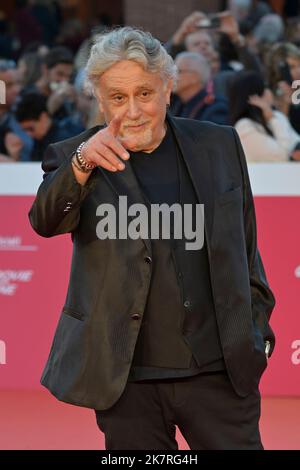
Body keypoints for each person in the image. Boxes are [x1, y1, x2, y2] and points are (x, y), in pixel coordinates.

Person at [29, 26, 275, 450]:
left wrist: (255, 330)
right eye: (118, 98)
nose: (133, 112)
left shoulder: (219, 144)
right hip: (127, 381)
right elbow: (45, 220)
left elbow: (246, 245)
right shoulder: (78, 155)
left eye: (144, 93)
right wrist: (83, 163)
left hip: (218, 373)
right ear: (100, 99)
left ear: (167, 88)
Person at [228, 71, 300, 162]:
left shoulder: (276, 116)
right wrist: (273, 119)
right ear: (256, 96)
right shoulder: (245, 127)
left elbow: (297, 144)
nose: (270, 92)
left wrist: (272, 118)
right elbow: (282, 156)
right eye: (265, 87)